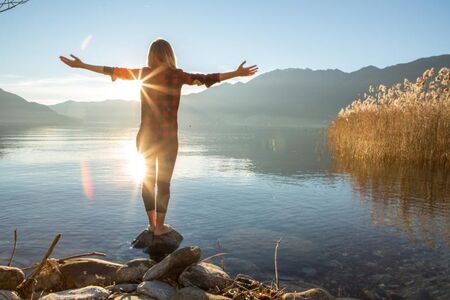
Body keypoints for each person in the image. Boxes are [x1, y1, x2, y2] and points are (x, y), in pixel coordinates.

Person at [60, 38, 258, 236]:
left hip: (145, 137)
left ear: (151, 55)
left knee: (148, 180)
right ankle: (160, 228)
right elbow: (208, 78)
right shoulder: (177, 76)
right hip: (168, 139)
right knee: (164, 183)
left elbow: (112, 70)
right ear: (170, 55)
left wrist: (82, 65)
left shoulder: (144, 74)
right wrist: (236, 73)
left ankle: (152, 225)